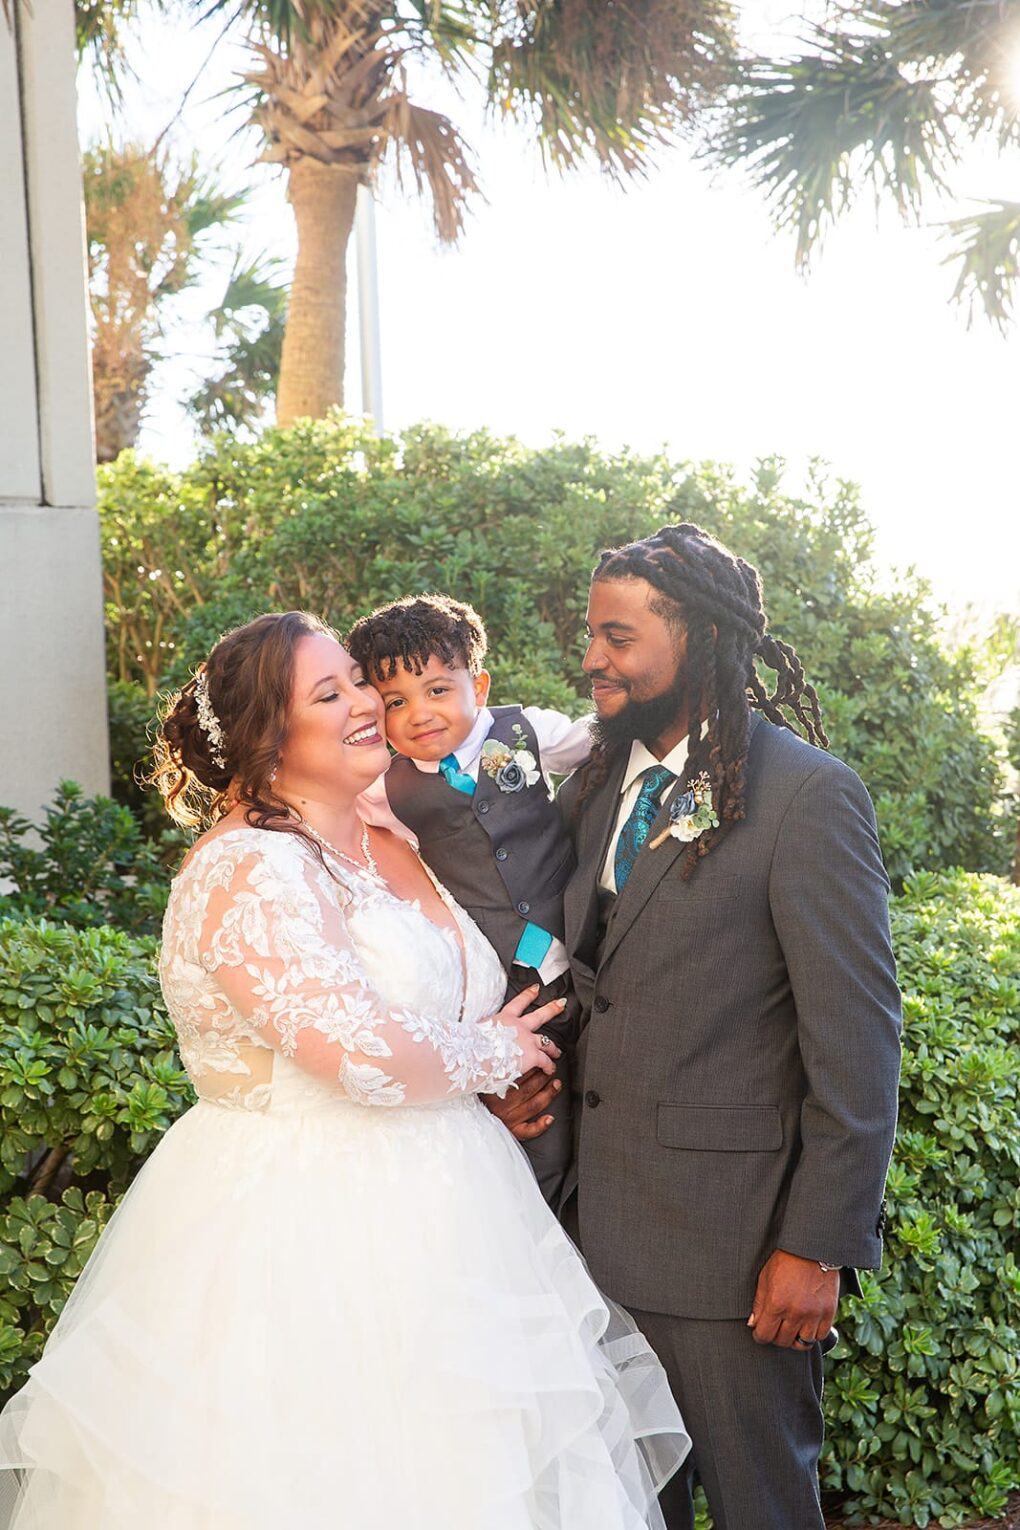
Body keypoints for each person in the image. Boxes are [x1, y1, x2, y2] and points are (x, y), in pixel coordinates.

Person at [0, 609, 688, 1530]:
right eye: (332, 692)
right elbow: (359, 1050)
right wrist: (494, 1054)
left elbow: (435, 1017)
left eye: (356, 681)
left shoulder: (390, 837)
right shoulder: (244, 869)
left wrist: (486, 1094)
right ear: (265, 736)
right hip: (305, 1239)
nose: (368, 702)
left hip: (460, 1231)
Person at [493, 524, 902, 1530]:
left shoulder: (807, 797)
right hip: (597, 1246)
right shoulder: (599, 791)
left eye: (619, 636)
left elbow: (856, 1042)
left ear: (703, 639)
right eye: (592, 635)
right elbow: (602, 983)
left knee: (765, 1509)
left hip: (735, 1262)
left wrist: (817, 1244)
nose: (593, 658)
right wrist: (530, 1082)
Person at [348, 593, 591, 1207]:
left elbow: (601, 741)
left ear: (476, 684)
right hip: (502, 986)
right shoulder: (382, 790)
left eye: (436, 690)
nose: (419, 714)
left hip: (586, 955)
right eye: (395, 702)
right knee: (539, 1131)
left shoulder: (523, 730)